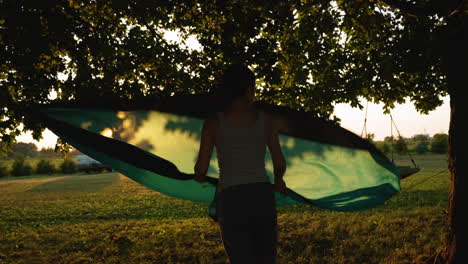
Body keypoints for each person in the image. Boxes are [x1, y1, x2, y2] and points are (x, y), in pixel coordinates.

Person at [193, 63, 287, 264]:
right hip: (261, 196)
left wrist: (201, 178)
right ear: (248, 90)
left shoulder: (213, 123)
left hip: (231, 199)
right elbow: (279, 163)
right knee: (265, 258)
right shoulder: (267, 120)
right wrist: (279, 180)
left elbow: (200, 170)